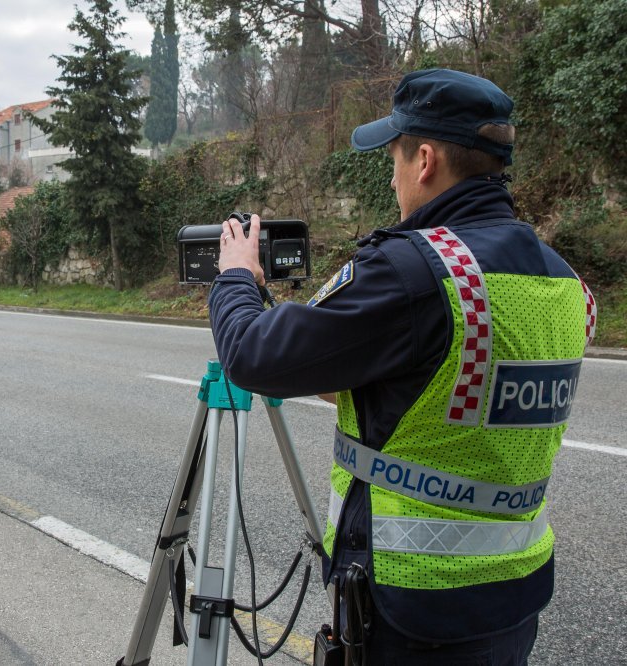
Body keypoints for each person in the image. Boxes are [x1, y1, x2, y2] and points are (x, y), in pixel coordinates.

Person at [209, 69, 597, 665]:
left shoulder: (416, 272)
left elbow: (252, 357)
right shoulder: (563, 280)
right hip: (513, 596)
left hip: (410, 609)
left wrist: (238, 275)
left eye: (392, 158)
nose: (391, 178)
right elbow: (444, 388)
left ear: (423, 160)